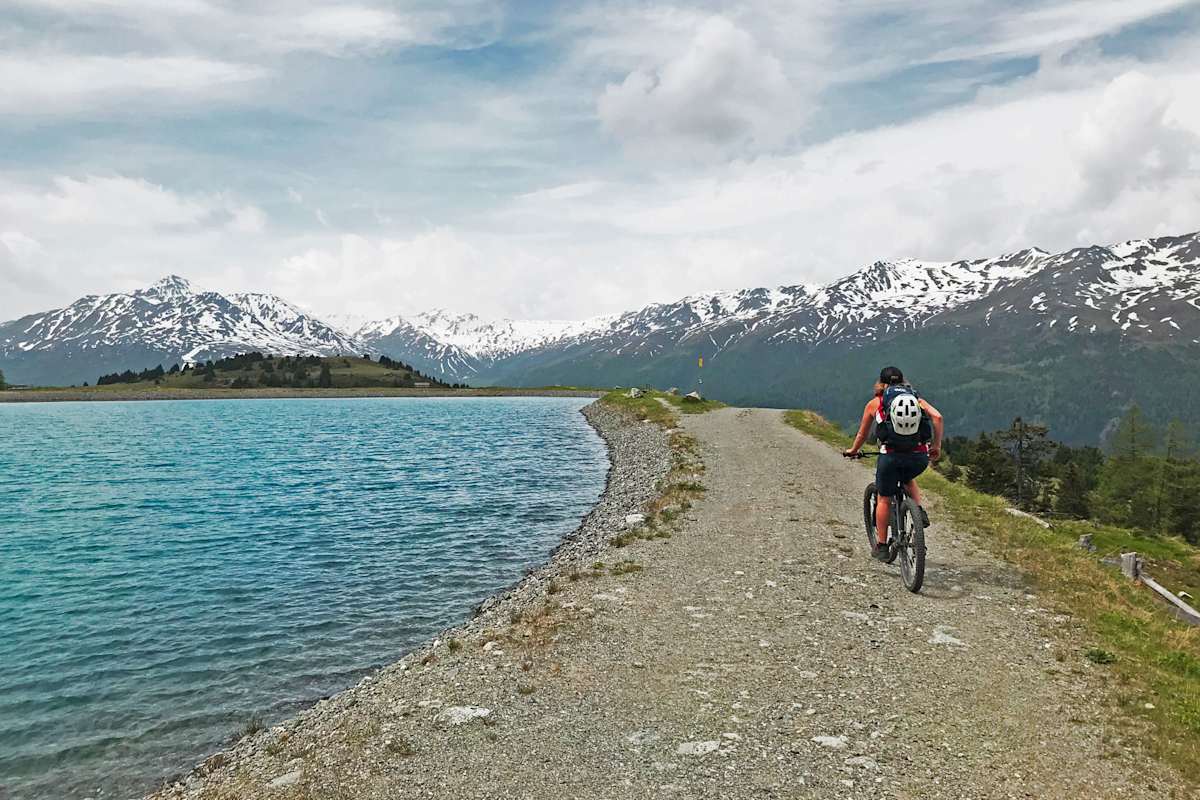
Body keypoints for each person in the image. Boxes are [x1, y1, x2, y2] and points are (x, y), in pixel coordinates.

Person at [843, 366, 944, 561]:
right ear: (903, 381)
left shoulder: (875, 403)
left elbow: (862, 434)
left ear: (881, 383)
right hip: (919, 457)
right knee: (908, 478)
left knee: (884, 498)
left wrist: (853, 450)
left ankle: (881, 545)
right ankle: (918, 511)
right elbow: (938, 418)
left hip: (890, 457)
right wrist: (936, 445)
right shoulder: (917, 400)